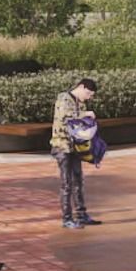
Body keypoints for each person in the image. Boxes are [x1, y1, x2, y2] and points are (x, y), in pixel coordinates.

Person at [54, 77, 101, 229]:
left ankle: (81, 215)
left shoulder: (80, 103)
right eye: (88, 93)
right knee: (66, 184)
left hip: (75, 147)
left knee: (78, 181)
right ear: (81, 87)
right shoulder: (64, 98)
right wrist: (85, 114)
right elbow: (66, 117)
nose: (88, 97)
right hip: (62, 146)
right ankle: (67, 218)